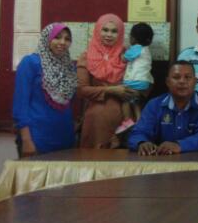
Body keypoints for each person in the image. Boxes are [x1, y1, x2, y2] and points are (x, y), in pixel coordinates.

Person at [12, 23, 77, 157]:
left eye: (67, 39)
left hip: (65, 137)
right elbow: (20, 105)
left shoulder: (70, 67)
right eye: (57, 37)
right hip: (37, 137)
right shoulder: (30, 63)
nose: (62, 42)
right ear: (47, 38)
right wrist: (26, 139)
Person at [128, 61, 198, 155]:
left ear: (195, 82)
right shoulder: (154, 105)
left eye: (187, 77)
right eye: (176, 77)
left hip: (197, 160)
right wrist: (142, 142)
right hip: (161, 160)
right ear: (168, 82)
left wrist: (179, 145)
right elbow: (138, 133)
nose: (182, 81)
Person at [77, 13, 136, 149]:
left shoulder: (127, 55)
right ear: (98, 30)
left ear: (120, 34)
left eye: (114, 31)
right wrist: (111, 90)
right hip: (96, 122)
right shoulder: (86, 56)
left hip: (124, 120)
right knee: (95, 159)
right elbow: (81, 90)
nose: (109, 35)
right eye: (105, 30)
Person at [117, 22, 154, 133]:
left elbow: (124, 58)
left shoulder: (136, 48)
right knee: (135, 101)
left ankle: (127, 120)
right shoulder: (146, 49)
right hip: (144, 82)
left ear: (133, 38)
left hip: (134, 81)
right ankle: (139, 120)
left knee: (125, 98)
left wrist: (121, 54)